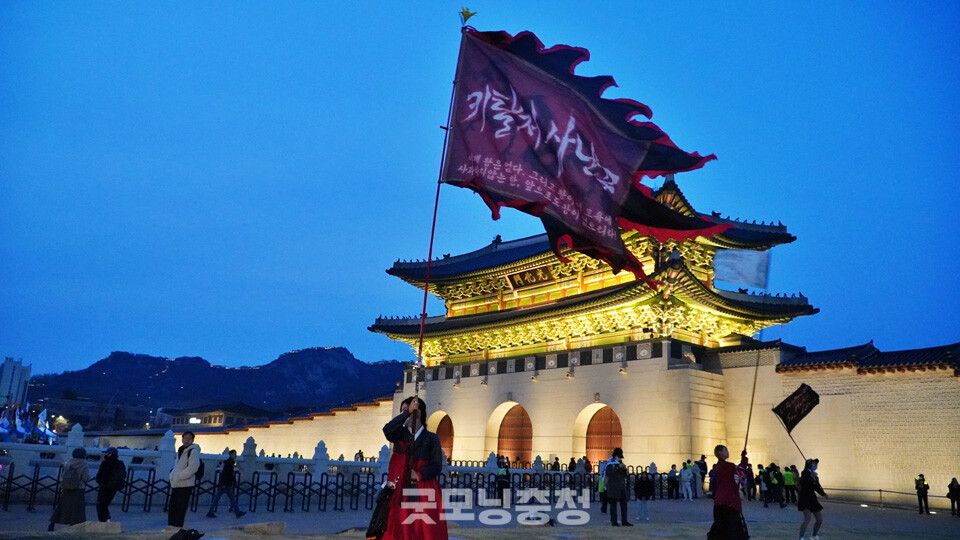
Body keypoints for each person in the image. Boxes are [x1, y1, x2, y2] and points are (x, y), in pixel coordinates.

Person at [382, 396, 448, 540]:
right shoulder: (400, 435)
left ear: (419, 413)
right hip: (401, 488)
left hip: (423, 488)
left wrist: (419, 474)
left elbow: (437, 465)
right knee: (400, 524)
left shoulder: (432, 438)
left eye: (407, 410)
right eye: (402, 411)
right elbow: (387, 429)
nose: (403, 414)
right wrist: (407, 413)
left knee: (423, 527)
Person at [706, 445, 749, 540]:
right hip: (729, 503)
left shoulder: (717, 467)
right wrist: (744, 458)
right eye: (726, 450)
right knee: (732, 530)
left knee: (720, 528)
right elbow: (741, 471)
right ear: (720, 452)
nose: (728, 452)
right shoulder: (728, 466)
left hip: (719, 503)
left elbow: (715, 486)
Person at [49, 447, 90, 531]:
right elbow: (85, 477)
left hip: (67, 487)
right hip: (78, 488)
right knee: (77, 508)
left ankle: (52, 523)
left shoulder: (68, 462)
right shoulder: (84, 464)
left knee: (62, 506)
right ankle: (73, 525)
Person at [168, 431, 201, 529]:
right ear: (182, 439)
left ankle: (177, 529)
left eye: (189, 438)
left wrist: (180, 476)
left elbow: (193, 467)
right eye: (185, 438)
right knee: (173, 508)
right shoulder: (181, 450)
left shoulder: (193, 451)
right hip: (177, 484)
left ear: (192, 440)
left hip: (185, 484)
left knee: (180, 510)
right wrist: (173, 476)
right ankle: (171, 528)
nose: (187, 440)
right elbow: (177, 466)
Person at [206, 449, 245, 518]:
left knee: (226, 498)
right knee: (221, 498)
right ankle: (237, 512)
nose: (235, 455)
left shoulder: (229, 462)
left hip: (225, 484)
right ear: (231, 455)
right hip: (226, 485)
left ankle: (237, 512)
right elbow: (226, 474)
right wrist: (227, 483)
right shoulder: (229, 463)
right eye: (234, 454)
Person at [798, 458, 828, 540]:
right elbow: (805, 483)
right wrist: (811, 478)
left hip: (812, 498)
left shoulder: (814, 475)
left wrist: (823, 493)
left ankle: (814, 535)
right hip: (805, 498)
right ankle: (801, 537)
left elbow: (816, 487)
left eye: (816, 464)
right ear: (809, 465)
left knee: (819, 519)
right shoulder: (805, 473)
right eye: (814, 464)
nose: (815, 465)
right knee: (807, 519)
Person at [95, 447, 125, 523]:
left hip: (105, 487)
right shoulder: (120, 463)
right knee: (105, 504)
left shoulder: (105, 463)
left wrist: (100, 482)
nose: (105, 454)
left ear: (110, 454)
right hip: (114, 487)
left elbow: (101, 475)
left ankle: (103, 521)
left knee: (101, 504)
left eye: (106, 453)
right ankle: (107, 519)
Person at [603, 448, 631, 526]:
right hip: (613, 488)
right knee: (613, 506)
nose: (620, 459)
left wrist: (624, 469)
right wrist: (617, 467)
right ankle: (614, 521)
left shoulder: (621, 464)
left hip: (622, 488)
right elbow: (609, 474)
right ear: (615, 456)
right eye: (619, 457)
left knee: (624, 505)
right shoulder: (610, 464)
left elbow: (625, 475)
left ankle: (624, 520)